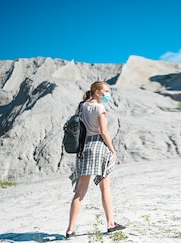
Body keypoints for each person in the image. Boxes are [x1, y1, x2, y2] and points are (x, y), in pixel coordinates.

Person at [66, 81, 125, 238]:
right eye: (106, 91)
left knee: (80, 191)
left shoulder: (81, 106)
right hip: (99, 147)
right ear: (97, 92)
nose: (108, 94)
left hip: (84, 148)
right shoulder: (99, 108)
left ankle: (70, 229)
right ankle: (110, 224)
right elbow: (103, 132)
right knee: (105, 188)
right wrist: (113, 151)